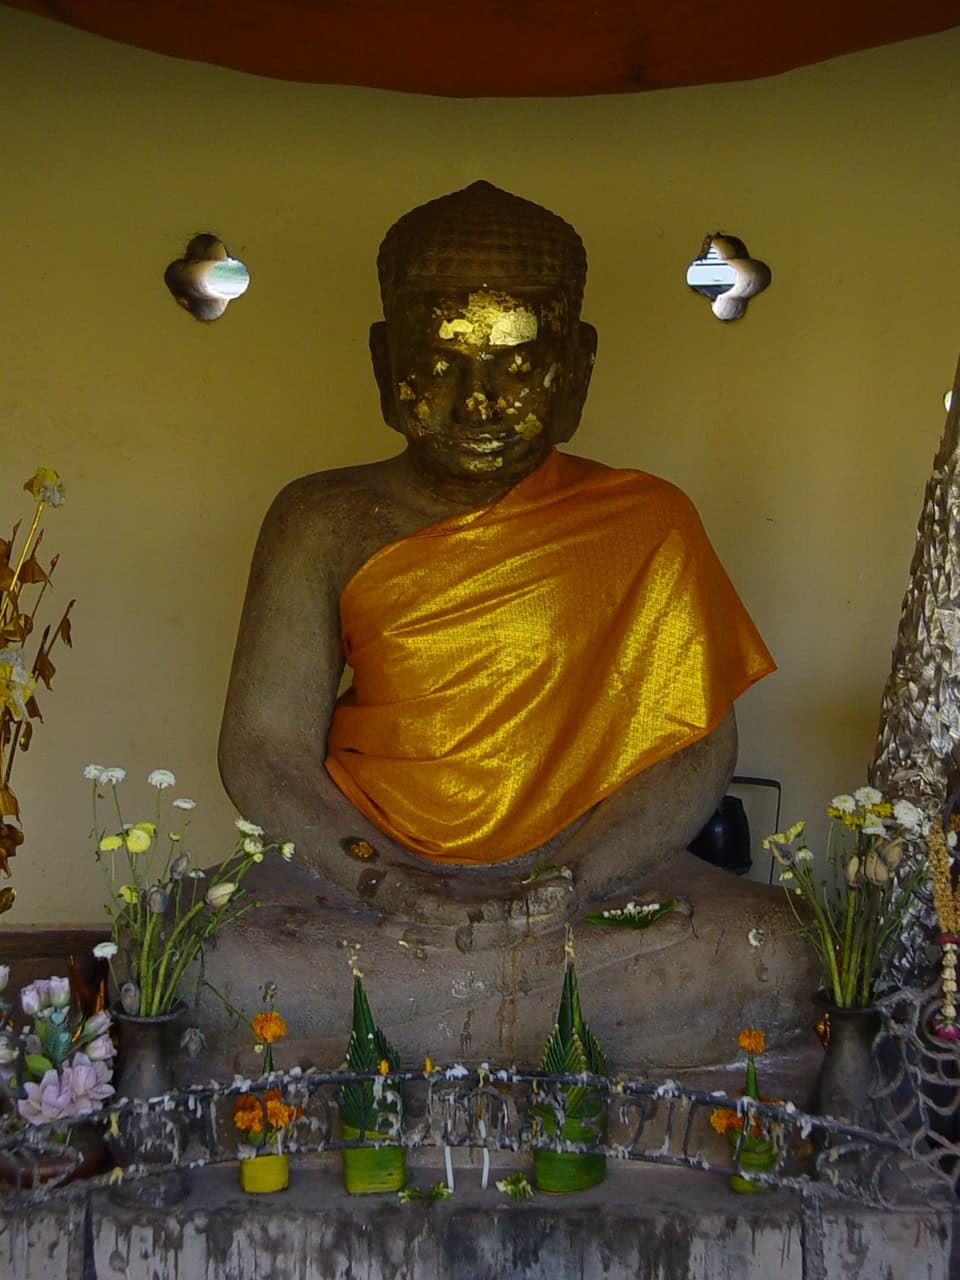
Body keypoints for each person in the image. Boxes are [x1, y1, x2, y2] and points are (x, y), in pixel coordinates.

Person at [213, 184, 812, 1070]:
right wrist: (386, 879)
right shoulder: (321, 518)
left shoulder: (645, 520)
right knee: (215, 966)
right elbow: (265, 748)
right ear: (385, 364)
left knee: (774, 953)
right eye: (444, 364)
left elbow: (692, 752)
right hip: (370, 882)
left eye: (519, 365)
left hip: (587, 884)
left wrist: (569, 881)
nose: (481, 402)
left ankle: (455, 1028)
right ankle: (536, 1032)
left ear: (577, 366)